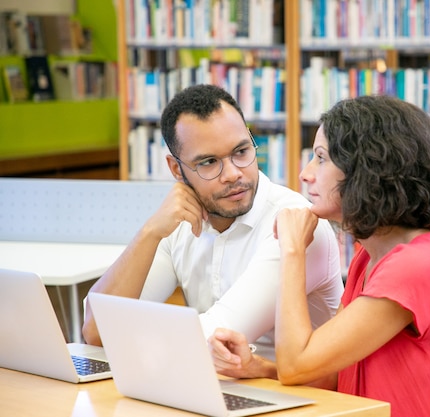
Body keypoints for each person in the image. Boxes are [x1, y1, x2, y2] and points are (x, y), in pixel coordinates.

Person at [210, 95, 430, 416]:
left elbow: (297, 364)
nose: (306, 175)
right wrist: (259, 367)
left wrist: (293, 250)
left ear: (368, 170)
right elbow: (335, 372)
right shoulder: (369, 258)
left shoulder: (417, 267)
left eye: (321, 158)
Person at [82, 84, 345, 378]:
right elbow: (95, 331)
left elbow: (213, 337)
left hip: (304, 403)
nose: (233, 173)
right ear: (176, 170)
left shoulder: (295, 224)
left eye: (241, 152)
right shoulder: (176, 222)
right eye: (208, 162)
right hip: (218, 392)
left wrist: (128, 332)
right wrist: (150, 232)